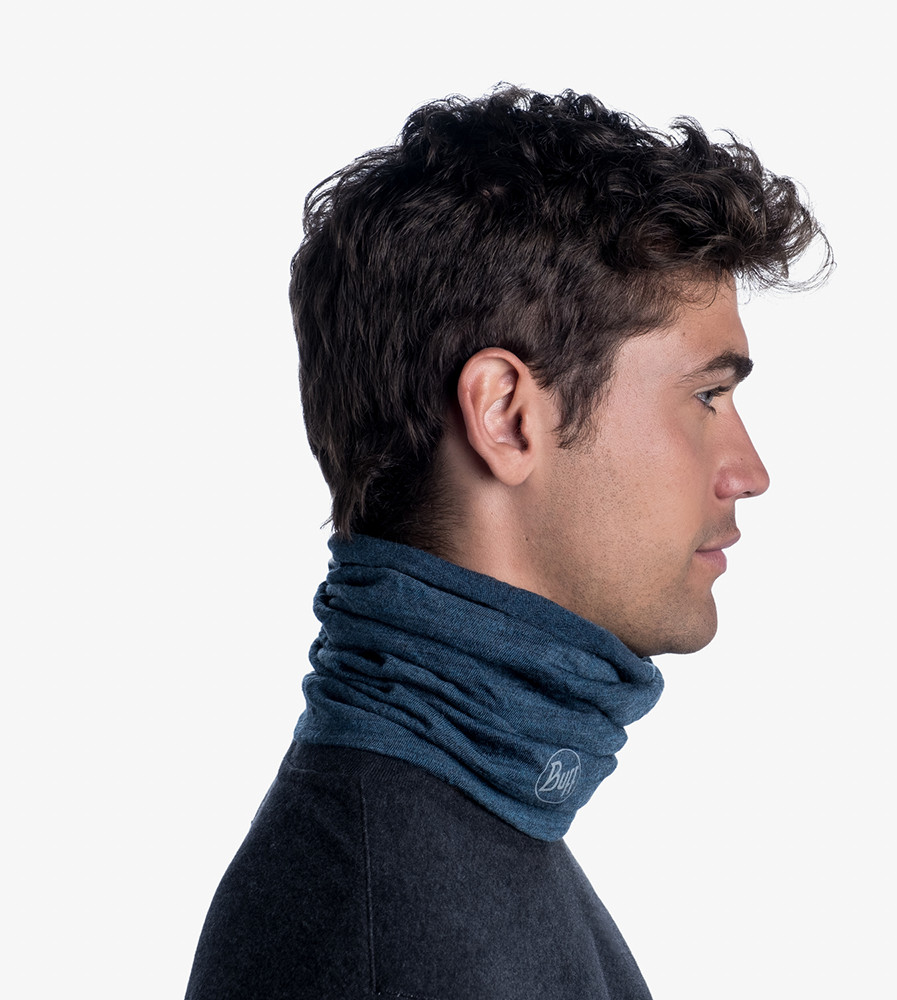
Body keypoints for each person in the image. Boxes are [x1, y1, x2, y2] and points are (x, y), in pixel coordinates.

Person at [185, 86, 831, 1000]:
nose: (747, 470)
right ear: (506, 415)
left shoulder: (471, 829)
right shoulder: (387, 931)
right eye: (706, 397)